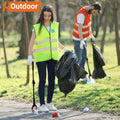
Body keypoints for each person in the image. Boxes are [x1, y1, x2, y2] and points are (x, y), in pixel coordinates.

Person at [27, 5, 65, 112]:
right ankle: (42, 104)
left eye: (49, 15)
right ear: (42, 15)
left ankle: (49, 103)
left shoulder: (55, 25)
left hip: (53, 57)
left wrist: (64, 49)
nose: (47, 18)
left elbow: (55, 41)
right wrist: (30, 56)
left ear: (52, 15)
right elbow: (31, 43)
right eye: (45, 16)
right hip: (41, 57)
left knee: (52, 80)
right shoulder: (37, 27)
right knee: (42, 80)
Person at [72, 2, 102, 79]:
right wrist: (81, 41)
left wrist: (91, 34)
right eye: (94, 12)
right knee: (78, 58)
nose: (94, 13)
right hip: (78, 39)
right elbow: (79, 28)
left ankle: (82, 76)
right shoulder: (81, 14)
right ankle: (72, 76)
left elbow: (88, 25)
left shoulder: (89, 13)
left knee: (84, 57)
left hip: (83, 38)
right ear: (92, 7)